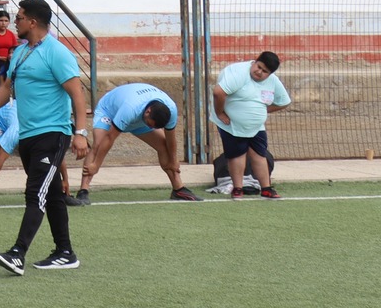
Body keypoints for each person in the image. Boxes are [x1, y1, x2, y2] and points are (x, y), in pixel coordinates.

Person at [0, 0, 91, 274]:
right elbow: (6, 90)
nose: (15, 21)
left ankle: (17, 253)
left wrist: (80, 133)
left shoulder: (57, 53)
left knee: (36, 192)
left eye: (19, 17)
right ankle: (65, 252)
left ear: (32, 22)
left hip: (53, 133)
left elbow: (77, 94)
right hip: (28, 135)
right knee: (53, 193)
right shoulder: (21, 53)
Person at [77, 83, 198, 203]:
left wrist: (173, 160)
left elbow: (171, 139)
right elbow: (109, 138)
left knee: (163, 146)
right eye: (151, 125)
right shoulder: (131, 108)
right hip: (109, 112)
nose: (152, 128)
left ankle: (178, 189)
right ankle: (83, 191)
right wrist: (95, 165)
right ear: (148, 111)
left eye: (155, 127)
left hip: (139, 121)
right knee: (98, 145)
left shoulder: (171, 109)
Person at [212, 51, 289, 199]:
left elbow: (284, 102)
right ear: (255, 62)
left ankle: (266, 188)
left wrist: (263, 110)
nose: (259, 72)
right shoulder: (238, 73)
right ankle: (238, 189)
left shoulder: (273, 81)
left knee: (259, 154)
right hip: (232, 125)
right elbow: (218, 93)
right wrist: (220, 113)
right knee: (237, 155)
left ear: (270, 74)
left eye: (265, 71)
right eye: (258, 67)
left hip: (256, 127)